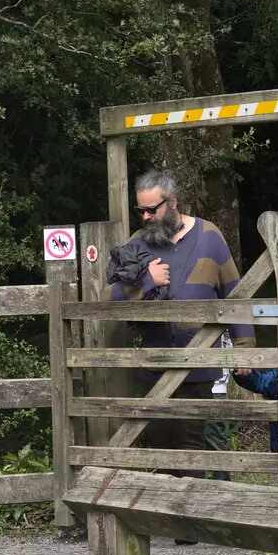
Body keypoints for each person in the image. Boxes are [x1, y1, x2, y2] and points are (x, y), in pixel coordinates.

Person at [108, 169, 254, 479]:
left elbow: (233, 292)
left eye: (152, 209)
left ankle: (192, 521)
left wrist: (244, 346)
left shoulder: (210, 236)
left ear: (173, 202)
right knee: (161, 446)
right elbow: (108, 297)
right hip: (154, 365)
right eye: (141, 210)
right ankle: (171, 520)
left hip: (198, 366)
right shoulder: (136, 244)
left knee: (192, 449)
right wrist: (146, 281)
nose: (146, 216)